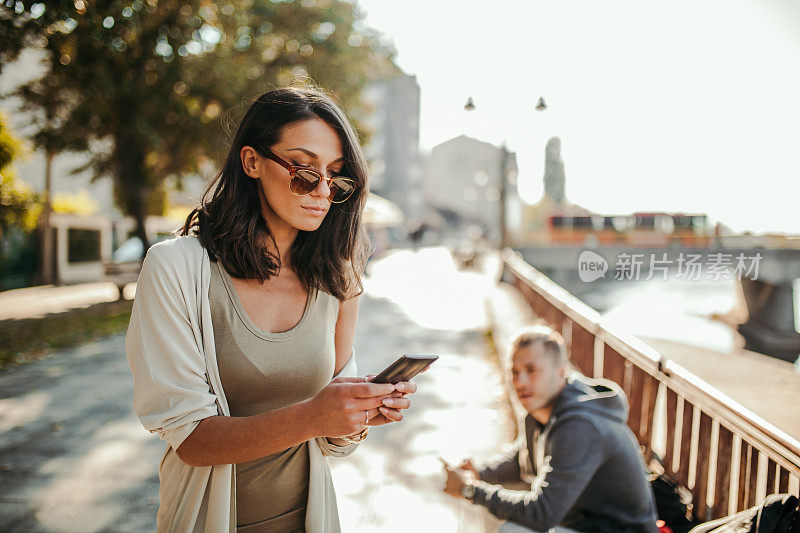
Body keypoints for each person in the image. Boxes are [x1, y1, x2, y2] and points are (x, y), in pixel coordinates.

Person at [125, 86, 418, 532]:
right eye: (303, 170)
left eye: (336, 177)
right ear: (252, 162)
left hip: (309, 519)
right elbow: (191, 438)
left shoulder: (338, 279)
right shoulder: (177, 269)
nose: (322, 190)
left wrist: (355, 415)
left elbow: (333, 443)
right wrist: (314, 414)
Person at [443, 324, 658, 533]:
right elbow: (522, 458)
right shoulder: (545, 412)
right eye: (515, 372)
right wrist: (480, 473)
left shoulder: (580, 426)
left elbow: (541, 513)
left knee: (514, 531)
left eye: (531, 370)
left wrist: (469, 490)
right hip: (582, 525)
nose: (520, 382)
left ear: (561, 372)